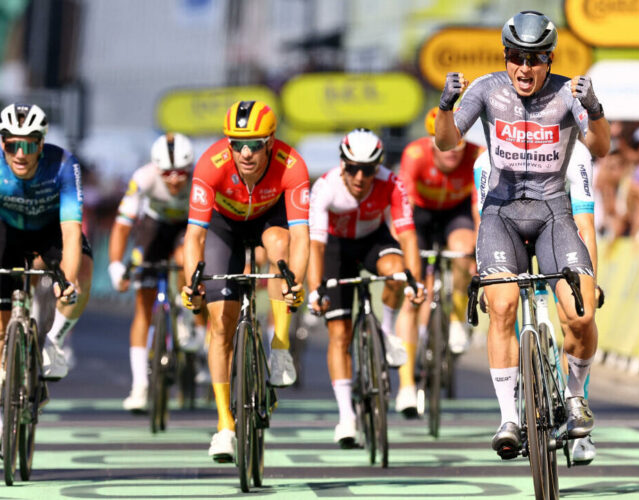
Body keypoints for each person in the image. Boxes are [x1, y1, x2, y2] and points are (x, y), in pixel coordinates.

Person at [434, 10, 610, 460]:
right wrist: (445, 107)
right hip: (501, 214)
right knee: (502, 306)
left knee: (581, 314)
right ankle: (508, 415)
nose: (524, 69)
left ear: (548, 60)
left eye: (534, 59)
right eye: (515, 57)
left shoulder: (568, 92)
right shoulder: (488, 89)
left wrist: (594, 109)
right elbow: (447, 143)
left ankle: (574, 395)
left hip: (553, 213)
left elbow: (601, 148)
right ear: (506, 56)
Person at [180, 100, 310, 462]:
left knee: (279, 248)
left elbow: (301, 237)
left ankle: (281, 347)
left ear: (271, 141)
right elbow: (194, 236)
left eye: (255, 143)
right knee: (220, 323)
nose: (246, 152)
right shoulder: (210, 165)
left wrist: (295, 281)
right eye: (238, 144)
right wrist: (193, 284)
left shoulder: (292, 164)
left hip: (270, 220)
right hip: (225, 227)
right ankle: (224, 426)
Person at [307, 128, 425, 447]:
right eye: (354, 168)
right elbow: (315, 246)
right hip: (335, 249)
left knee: (397, 274)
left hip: (373, 241)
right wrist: (315, 288)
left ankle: (386, 333)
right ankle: (346, 417)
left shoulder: (391, 182)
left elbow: (408, 235)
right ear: (342, 165)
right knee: (340, 335)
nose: (360, 177)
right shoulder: (325, 187)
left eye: (369, 170)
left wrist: (415, 280)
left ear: (378, 167)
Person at [108, 132, 206, 412]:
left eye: (181, 173)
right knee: (143, 305)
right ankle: (139, 386)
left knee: (185, 257)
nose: (174, 180)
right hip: (155, 226)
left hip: (189, 227)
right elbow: (123, 225)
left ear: (190, 169)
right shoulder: (143, 177)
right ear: (156, 169)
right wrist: (116, 265)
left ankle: (187, 313)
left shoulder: (201, 179)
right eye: (167, 173)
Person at [0, 103, 92, 383]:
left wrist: (69, 279)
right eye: (11, 145)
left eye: (28, 147)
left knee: (83, 271)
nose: (19, 155)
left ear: (41, 145)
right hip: (7, 231)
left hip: (50, 230)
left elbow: (72, 230)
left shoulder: (64, 165)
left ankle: (53, 340)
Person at [399, 108, 481, 377]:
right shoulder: (415, 155)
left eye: (460, 141)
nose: (454, 150)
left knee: (462, 250)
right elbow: (404, 205)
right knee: (420, 280)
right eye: (446, 142)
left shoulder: (477, 155)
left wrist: (478, 253)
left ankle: (457, 320)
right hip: (422, 215)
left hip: (456, 214)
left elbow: (479, 209)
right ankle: (421, 337)